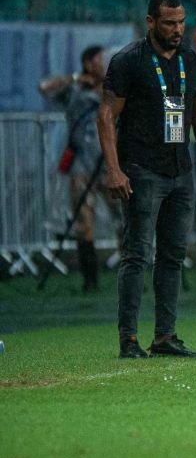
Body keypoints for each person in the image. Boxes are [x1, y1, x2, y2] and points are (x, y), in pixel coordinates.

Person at [98, 0, 196, 359]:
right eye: (169, 23)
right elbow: (106, 115)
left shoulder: (188, 58)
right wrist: (114, 169)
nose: (177, 30)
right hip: (141, 169)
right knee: (137, 254)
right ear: (150, 22)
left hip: (180, 169)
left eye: (181, 22)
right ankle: (128, 339)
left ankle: (165, 337)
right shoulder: (129, 61)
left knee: (172, 256)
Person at [38, 45, 122, 293]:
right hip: (82, 167)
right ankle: (90, 279)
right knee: (84, 223)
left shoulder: (113, 90)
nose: (104, 63)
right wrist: (76, 78)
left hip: (110, 166)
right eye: (99, 60)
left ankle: (130, 276)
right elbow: (44, 88)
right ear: (87, 63)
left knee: (123, 220)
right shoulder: (75, 90)